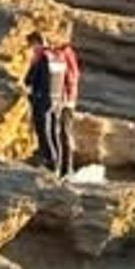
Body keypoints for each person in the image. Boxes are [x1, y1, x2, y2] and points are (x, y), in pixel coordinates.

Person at [23, 29, 81, 175]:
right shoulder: (58, 57)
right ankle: (60, 166)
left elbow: (30, 79)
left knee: (46, 132)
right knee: (55, 133)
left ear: (35, 43)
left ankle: (53, 163)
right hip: (57, 99)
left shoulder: (44, 56)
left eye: (31, 46)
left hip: (46, 98)